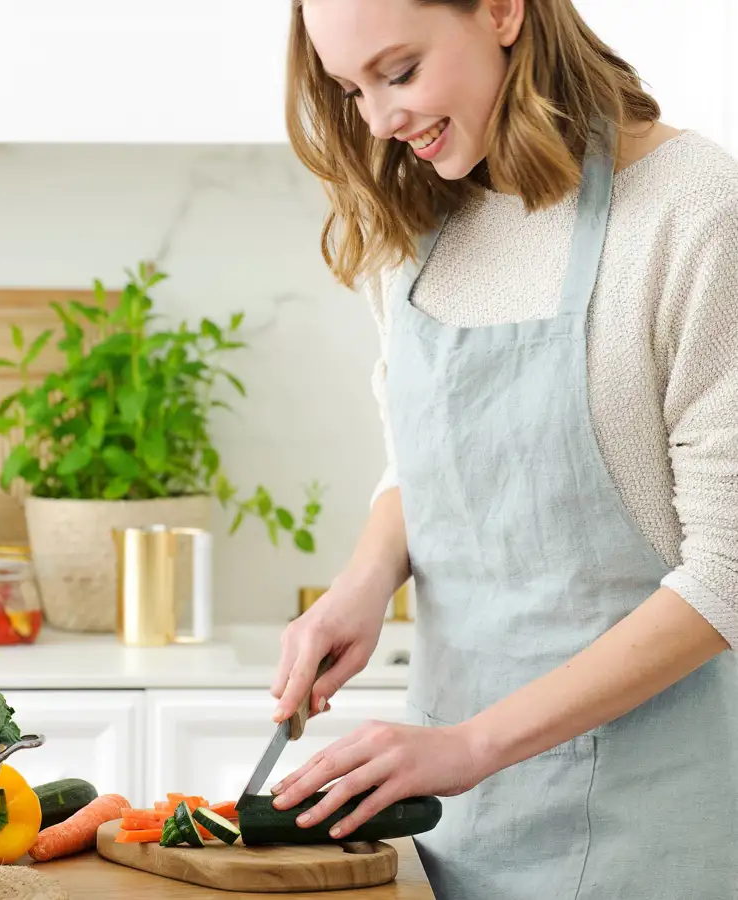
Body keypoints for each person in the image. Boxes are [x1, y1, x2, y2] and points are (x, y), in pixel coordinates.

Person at [267, 1, 738, 897]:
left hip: (649, 829)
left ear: (501, 10)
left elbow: (729, 572)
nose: (377, 120)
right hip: (453, 829)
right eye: (349, 87)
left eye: (399, 72)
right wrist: (365, 584)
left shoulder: (694, 209)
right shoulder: (412, 219)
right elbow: (423, 460)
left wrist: (471, 746)